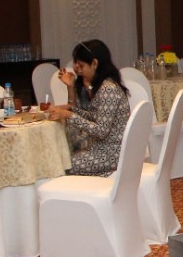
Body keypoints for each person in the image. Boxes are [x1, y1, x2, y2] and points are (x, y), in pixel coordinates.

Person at [45, 40, 130, 176]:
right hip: (104, 150)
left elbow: (100, 131)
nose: (79, 70)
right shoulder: (105, 85)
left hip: (110, 154)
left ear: (95, 63)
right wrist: (71, 110)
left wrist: (68, 115)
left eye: (82, 65)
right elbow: (95, 116)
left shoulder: (108, 89)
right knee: (61, 160)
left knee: (62, 165)